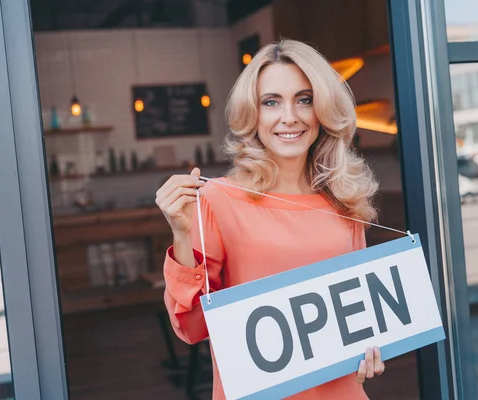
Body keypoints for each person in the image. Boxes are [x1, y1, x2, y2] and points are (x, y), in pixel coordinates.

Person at [155, 39, 383, 399]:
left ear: (322, 108)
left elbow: (360, 323)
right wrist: (181, 235)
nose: (289, 116)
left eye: (304, 100)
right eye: (271, 102)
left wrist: (372, 349)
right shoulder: (218, 200)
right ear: (253, 114)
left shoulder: (345, 201)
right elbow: (193, 327)